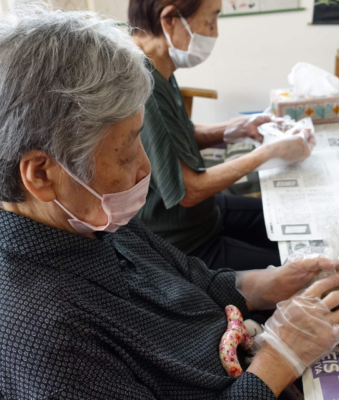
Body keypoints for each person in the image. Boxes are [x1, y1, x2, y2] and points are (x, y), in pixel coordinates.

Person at [0, 6, 339, 399]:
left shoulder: (87, 219)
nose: (145, 168)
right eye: (126, 151)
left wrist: (266, 284)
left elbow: (188, 278)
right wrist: (280, 357)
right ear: (41, 174)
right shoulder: (45, 343)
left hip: (233, 352)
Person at [128, 0, 315, 270]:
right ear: (169, 20)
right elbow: (189, 190)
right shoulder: (143, 86)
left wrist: (233, 129)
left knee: (299, 220)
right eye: (210, 21)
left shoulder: (157, 64)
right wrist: (270, 151)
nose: (213, 33)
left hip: (204, 214)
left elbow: (177, 137)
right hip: (182, 243)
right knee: (311, 275)